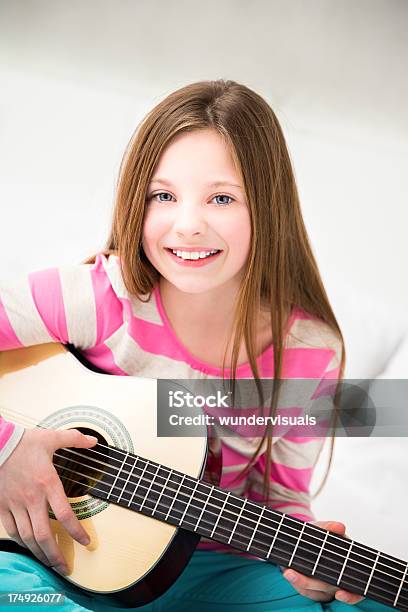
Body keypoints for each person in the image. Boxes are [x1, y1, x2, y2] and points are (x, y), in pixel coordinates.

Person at [0, 80, 394, 611]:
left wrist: (304, 569)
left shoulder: (307, 350)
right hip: (40, 556)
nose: (187, 225)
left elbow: (280, 505)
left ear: (267, 209)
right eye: (163, 196)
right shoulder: (97, 299)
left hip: (209, 563)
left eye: (221, 198)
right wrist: (10, 451)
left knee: (360, 603)